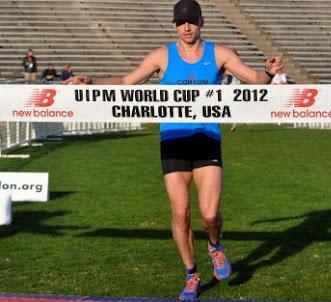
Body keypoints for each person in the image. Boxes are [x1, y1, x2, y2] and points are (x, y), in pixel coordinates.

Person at [67, 0, 283, 300]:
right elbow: (127, 82)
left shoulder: (219, 54)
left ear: (201, 21)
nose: (187, 26)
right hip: (173, 140)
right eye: (181, 22)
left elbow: (255, 81)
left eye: (192, 21)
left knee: (209, 215)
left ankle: (214, 245)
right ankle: (191, 273)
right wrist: (91, 81)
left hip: (207, 138)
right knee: (180, 213)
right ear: (174, 24)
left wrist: (268, 72)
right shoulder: (161, 56)